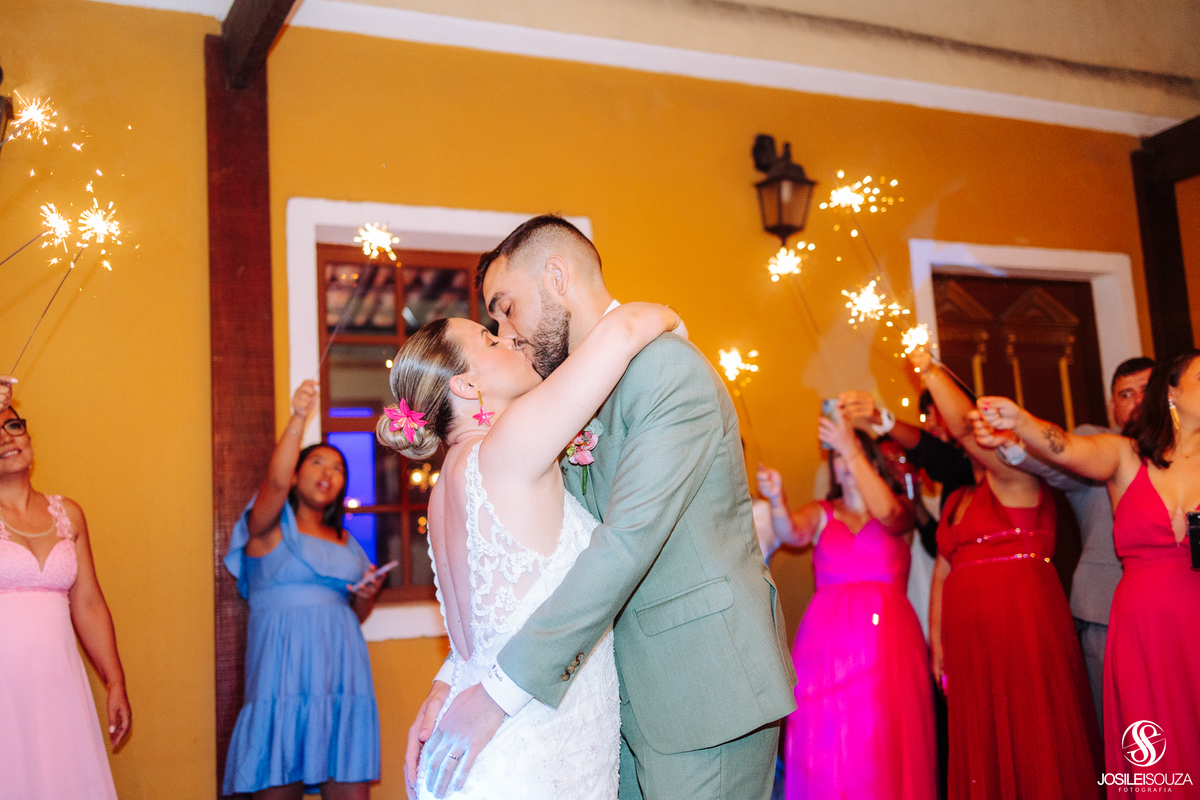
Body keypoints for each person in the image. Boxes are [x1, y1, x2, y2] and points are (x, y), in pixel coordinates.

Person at [406, 216, 796, 800]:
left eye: (506, 308)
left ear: (557, 276)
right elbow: (526, 574)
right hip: (605, 704)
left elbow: (626, 543)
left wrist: (493, 691)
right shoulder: (562, 399)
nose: (506, 333)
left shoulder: (666, 368)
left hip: (700, 692)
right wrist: (455, 678)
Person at [381, 300, 683, 798]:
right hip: (531, 750)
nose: (510, 340)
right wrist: (676, 321)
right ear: (466, 385)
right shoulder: (507, 446)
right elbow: (625, 326)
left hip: (483, 733)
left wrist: (443, 683)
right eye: (490, 340)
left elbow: (483, 627)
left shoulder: (444, 486)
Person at [976, 350, 1200, 792]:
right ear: (1171, 392)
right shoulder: (1125, 456)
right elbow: (1067, 445)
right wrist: (1020, 421)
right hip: (1144, 629)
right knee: (1156, 754)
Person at [914, 347, 1102, 798]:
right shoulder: (958, 498)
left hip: (1020, 623)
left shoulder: (1017, 478)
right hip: (968, 640)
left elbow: (961, 429)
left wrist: (929, 371)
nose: (968, 435)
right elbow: (943, 571)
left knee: (1033, 727)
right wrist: (938, 643)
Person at [757, 408, 936, 800]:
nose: (843, 462)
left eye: (850, 452)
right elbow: (792, 531)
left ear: (870, 460)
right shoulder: (823, 513)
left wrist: (849, 446)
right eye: (836, 455)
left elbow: (888, 512)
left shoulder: (899, 509)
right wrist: (776, 500)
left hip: (889, 643)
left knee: (887, 740)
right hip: (828, 646)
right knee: (830, 742)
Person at [222, 380, 385, 800]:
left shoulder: (347, 542)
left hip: (343, 673)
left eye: (338, 468)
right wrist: (298, 418)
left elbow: (350, 612)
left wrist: (364, 599)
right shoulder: (267, 528)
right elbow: (272, 487)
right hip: (282, 673)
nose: (328, 473)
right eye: (317, 463)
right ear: (294, 474)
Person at [993, 357, 1152, 731]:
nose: (1138, 401)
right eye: (1125, 394)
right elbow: (1056, 460)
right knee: (1121, 728)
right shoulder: (1098, 445)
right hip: (1104, 609)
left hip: (1176, 605)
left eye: (1147, 389)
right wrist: (1016, 447)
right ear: (1113, 405)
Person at [0, 377, 132, 800]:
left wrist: (114, 680)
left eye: (13, 426)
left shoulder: (68, 513)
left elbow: (89, 604)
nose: (6, 437)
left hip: (59, 681)